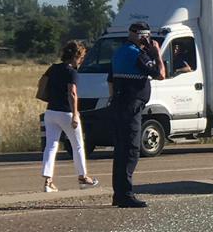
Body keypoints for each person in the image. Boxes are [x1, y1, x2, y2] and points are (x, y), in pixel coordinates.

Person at [109, 21, 165, 208]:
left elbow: (110, 80)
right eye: (146, 36)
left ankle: (119, 193)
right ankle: (126, 194)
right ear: (142, 36)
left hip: (118, 104)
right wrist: (157, 54)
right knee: (131, 151)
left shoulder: (119, 52)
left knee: (120, 151)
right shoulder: (137, 54)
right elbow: (160, 74)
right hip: (131, 107)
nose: (147, 40)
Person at [41, 40, 96, 193]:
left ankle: (48, 181)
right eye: (82, 57)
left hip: (50, 111)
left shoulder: (53, 68)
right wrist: (75, 115)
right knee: (77, 145)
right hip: (66, 112)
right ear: (76, 56)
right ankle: (83, 177)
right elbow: (72, 93)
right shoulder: (72, 72)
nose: (82, 60)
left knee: (51, 146)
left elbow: (42, 84)